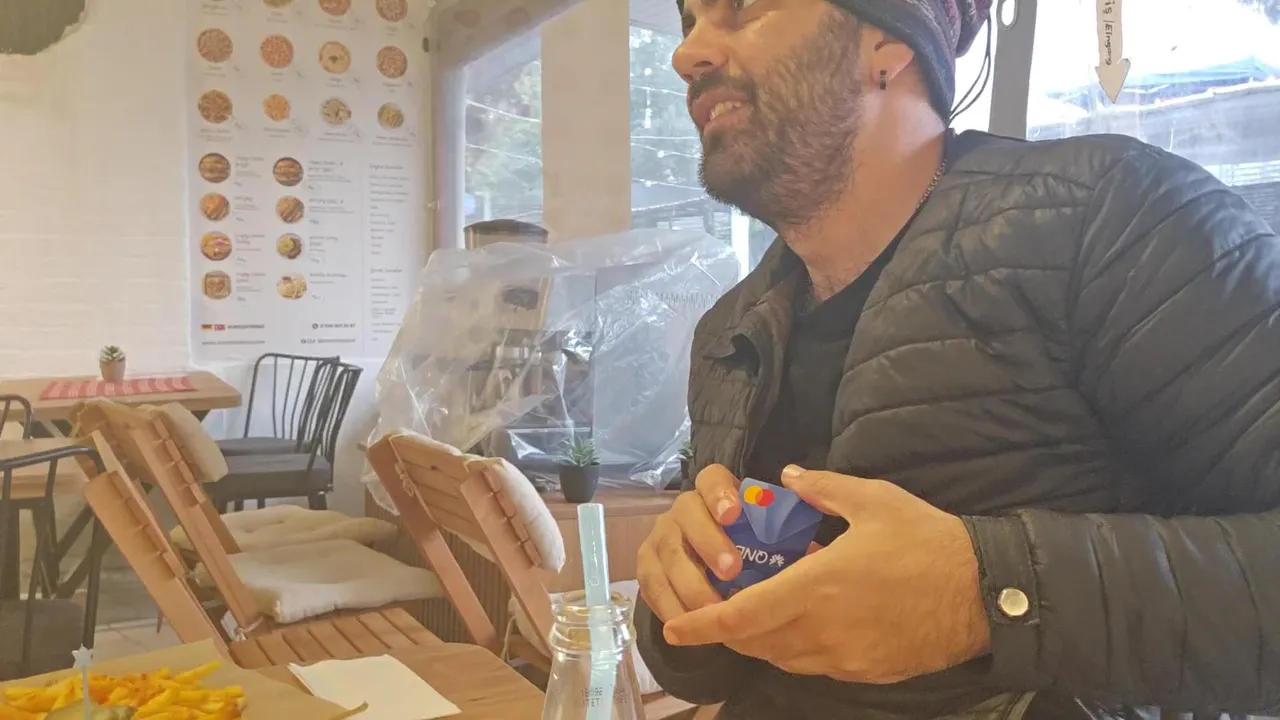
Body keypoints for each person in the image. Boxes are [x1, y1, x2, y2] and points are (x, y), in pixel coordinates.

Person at [633, 0, 1280, 718]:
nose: (686, 53)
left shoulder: (1115, 217)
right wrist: (677, 595)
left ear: (888, 45)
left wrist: (985, 596)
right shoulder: (731, 332)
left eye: (743, 6)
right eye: (688, 20)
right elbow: (718, 668)